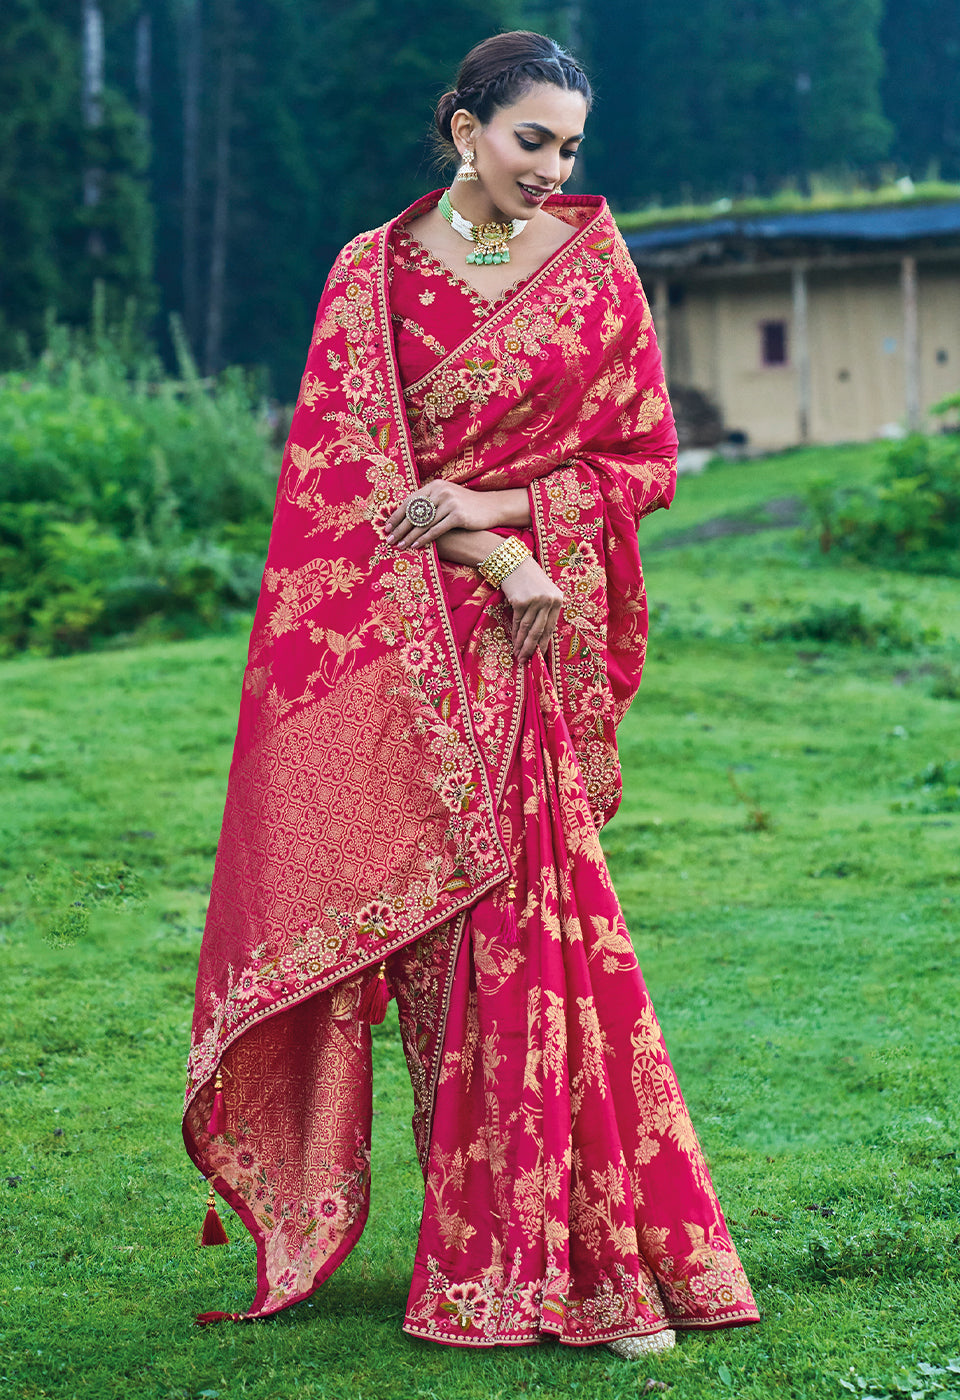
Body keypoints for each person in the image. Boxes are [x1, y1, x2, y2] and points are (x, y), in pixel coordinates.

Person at [184, 30, 759, 1355]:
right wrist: (491, 547)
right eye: (530, 140)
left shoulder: (597, 269)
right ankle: (501, 1257)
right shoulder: (369, 277)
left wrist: (507, 508)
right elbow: (349, 490)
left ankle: (600, 1258)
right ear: (464, 128)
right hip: (406, 656)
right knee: (449, 963)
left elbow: (648, 462)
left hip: (526, 654)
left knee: (547, 944)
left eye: (571, 144)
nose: (555, 169)